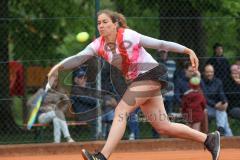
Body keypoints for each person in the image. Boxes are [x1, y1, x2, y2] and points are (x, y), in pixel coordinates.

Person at [48, 9, 220, 160]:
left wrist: (187, 50)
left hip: (151, 74)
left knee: (121, 110)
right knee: (163, 127)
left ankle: (101, 157)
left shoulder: (128, 35)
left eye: (105, 22)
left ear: (115, 24)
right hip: (137, 81)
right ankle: (209, 139)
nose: (101, 25)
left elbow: (160, 44)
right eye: (99, 23)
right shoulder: (97, 44)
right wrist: (58, 67)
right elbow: (79, 57)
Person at [27, 76, 74, 143]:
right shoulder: (42, 91)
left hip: (55, 115)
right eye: (52, 81)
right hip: (42, 116)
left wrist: (63, 110)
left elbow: (68, 101)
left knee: (56, 119)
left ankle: (56, 142)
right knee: (58, 113)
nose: (54, 83)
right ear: (47, 82)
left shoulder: (59, 92)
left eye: (55, 81)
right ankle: (68, 138)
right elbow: (29, 103)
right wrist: (42, 108)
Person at [201, 64, 233, 136]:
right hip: (206, 107)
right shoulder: (201, 82)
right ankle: (225, 133)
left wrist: (225, 103)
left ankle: (220, 130)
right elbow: (203, 98)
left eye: (211, 72)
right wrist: (214, 105)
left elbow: (221, 94)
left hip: (217, 108)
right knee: (224, 120)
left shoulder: (218, 82)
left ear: (214, 72)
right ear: (204, 72)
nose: (210, 74)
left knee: (222, 111)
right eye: (207, 72)